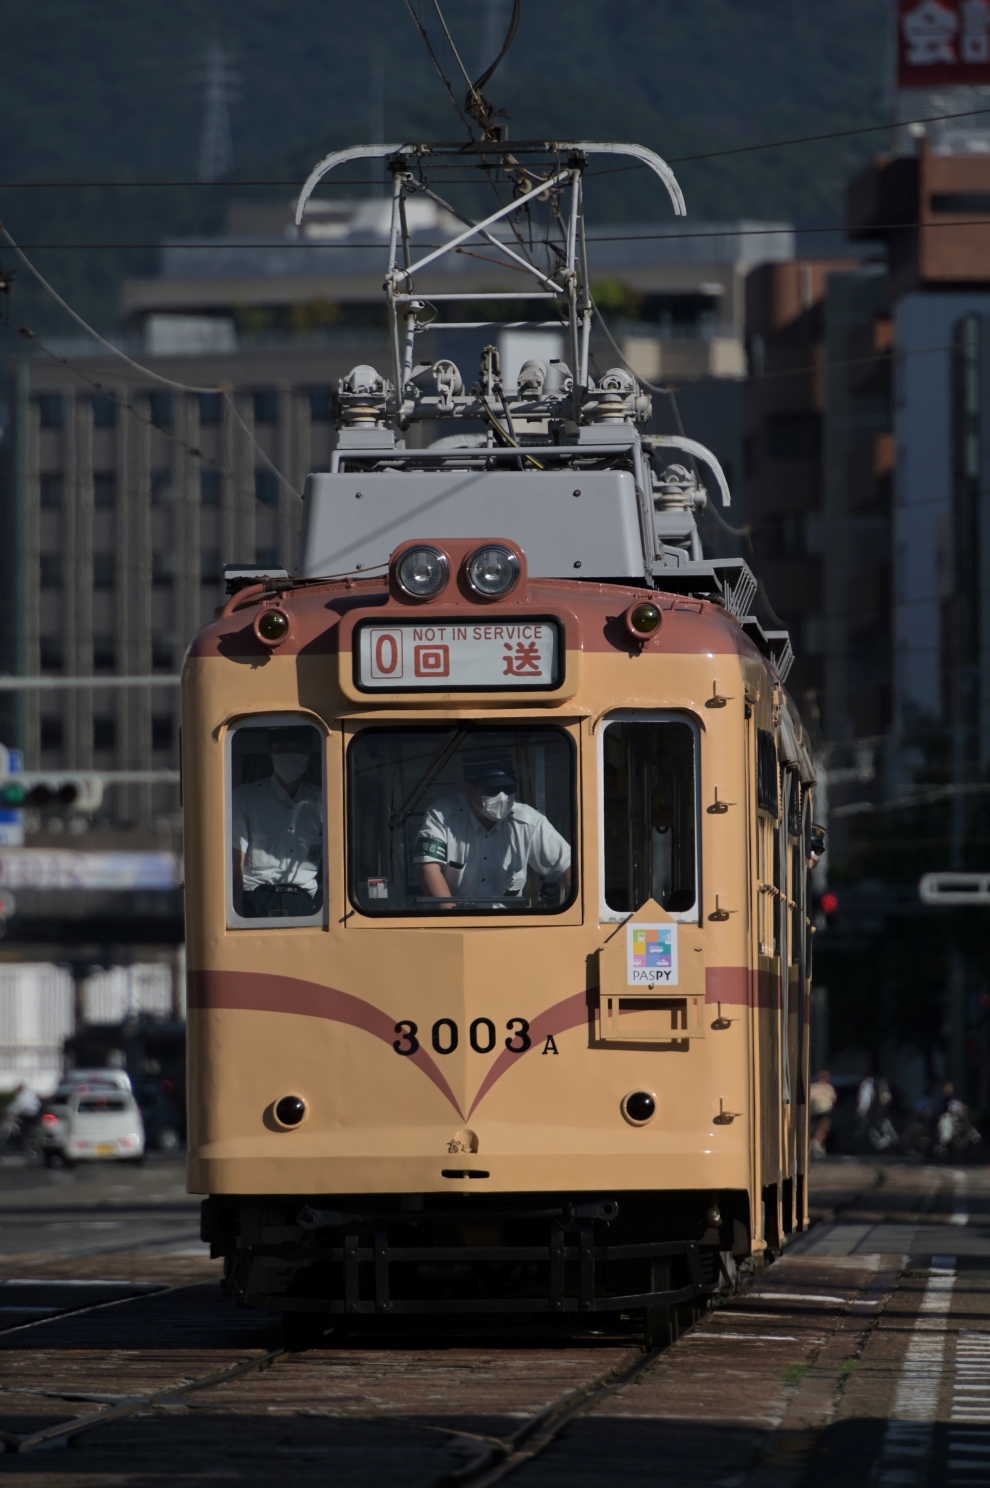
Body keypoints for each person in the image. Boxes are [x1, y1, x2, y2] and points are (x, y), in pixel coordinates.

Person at [415, 748, 571, 909]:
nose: (503, 797)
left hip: (507, 927)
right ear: (469, 791)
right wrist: (453, 919)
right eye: (493, 790)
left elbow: (568, 865)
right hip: (455, 923)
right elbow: (426, 867)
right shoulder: (442, 816)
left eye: (509, 789)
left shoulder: (528, 822)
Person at [232, 728, 323, 918]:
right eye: (283, 748)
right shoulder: (245, 798)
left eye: (297, 749)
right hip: (255, 904)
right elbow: (235, 862)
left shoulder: (323, 801)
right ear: (269, 751)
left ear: (309, 752)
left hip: (304, 905)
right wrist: (236, 914)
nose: (290, 755)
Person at [808, 1069, 837, 1159]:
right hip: (817, 1110)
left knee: (824, 1127)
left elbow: (833, 1099)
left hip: (822, 1110)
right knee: (823, 1126)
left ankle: (817, 1144)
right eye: (824, 1076)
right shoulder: (814, 1087)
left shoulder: (828, 1088)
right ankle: (816, 1143)